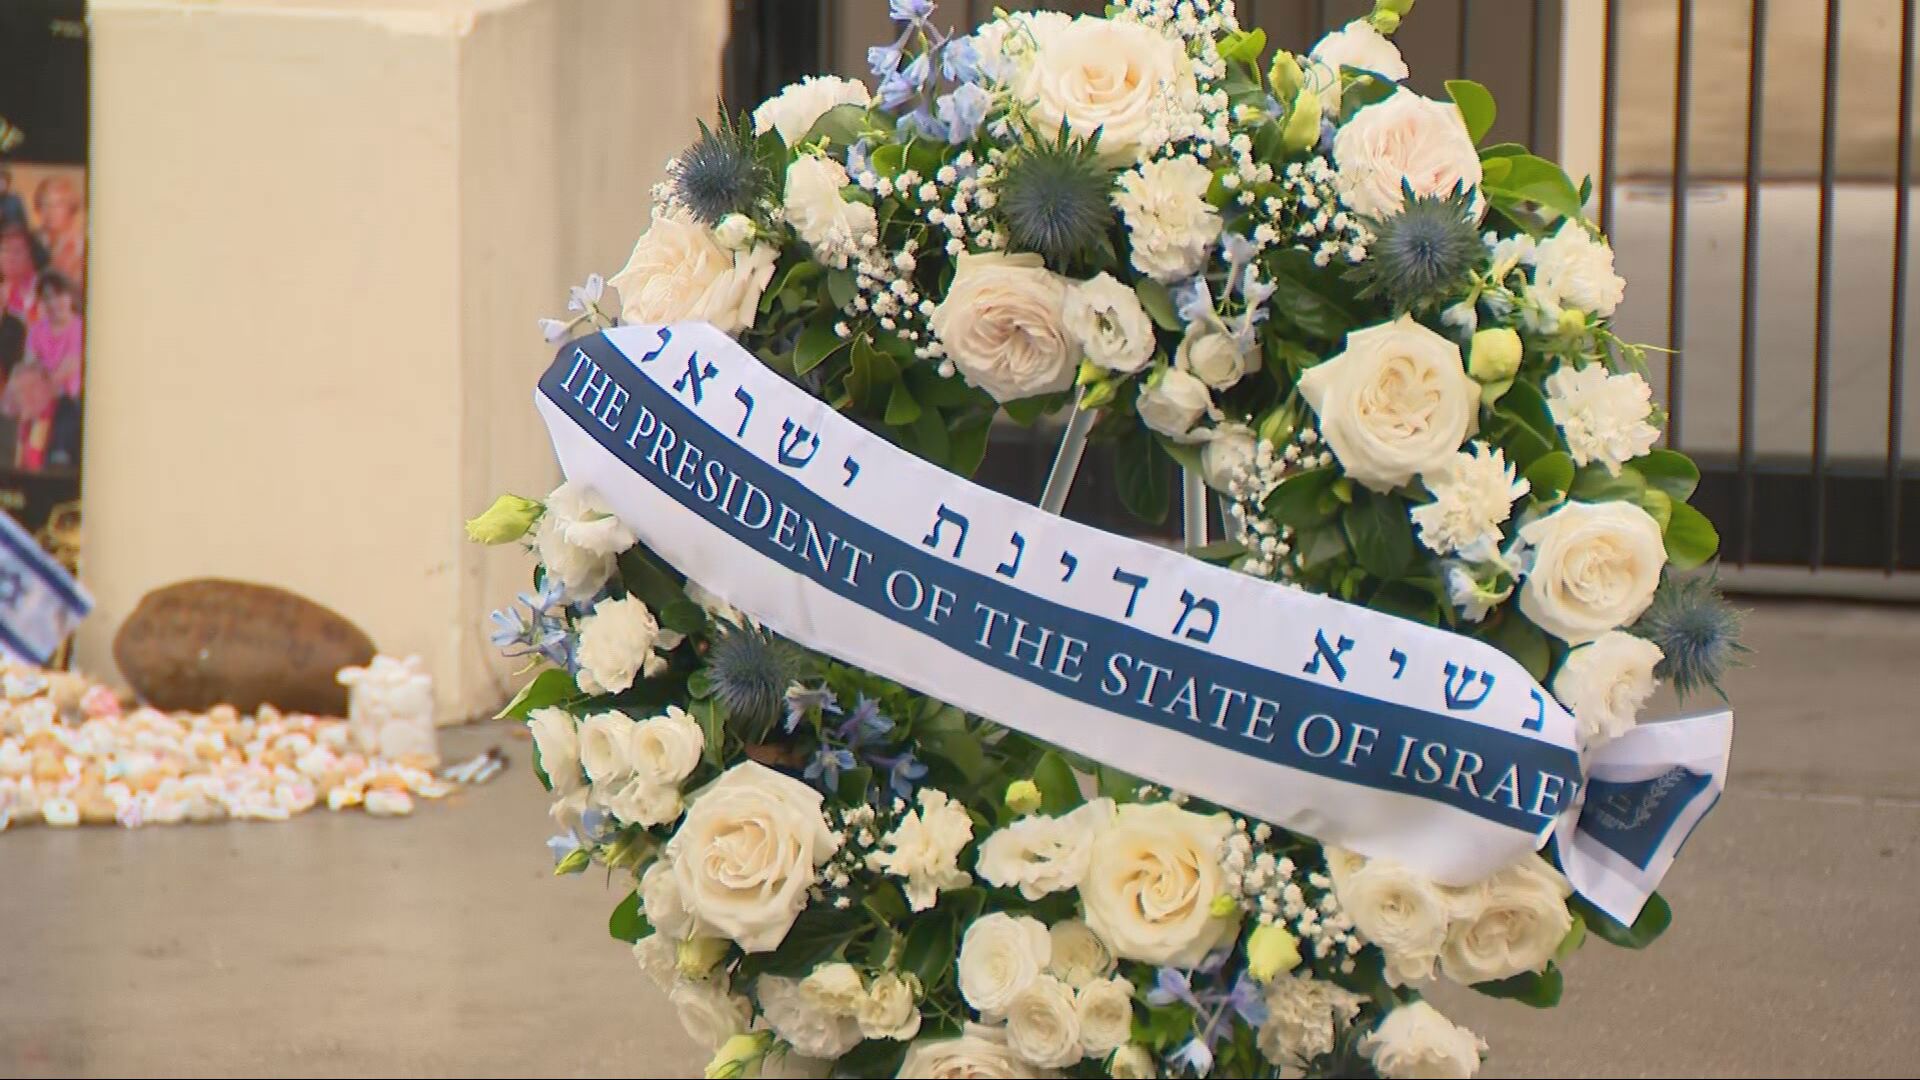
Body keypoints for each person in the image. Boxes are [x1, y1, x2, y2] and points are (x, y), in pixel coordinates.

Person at [7, 273, 80, 472]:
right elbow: (29, 364)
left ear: (70, 297)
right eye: (47, 297)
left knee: (63, 412)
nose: (54, 303)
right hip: (39, 397)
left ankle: (58, 458)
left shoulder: (79, 327)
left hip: (67, 399)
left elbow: (69, 367)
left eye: (59, 295)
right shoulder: (37, 329)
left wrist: (43, 385)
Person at [32, 176, 83, 288]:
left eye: (59, 204)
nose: (51, 211)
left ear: (71, 208)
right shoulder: (28, 241)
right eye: (45, 204)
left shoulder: (83, 246)